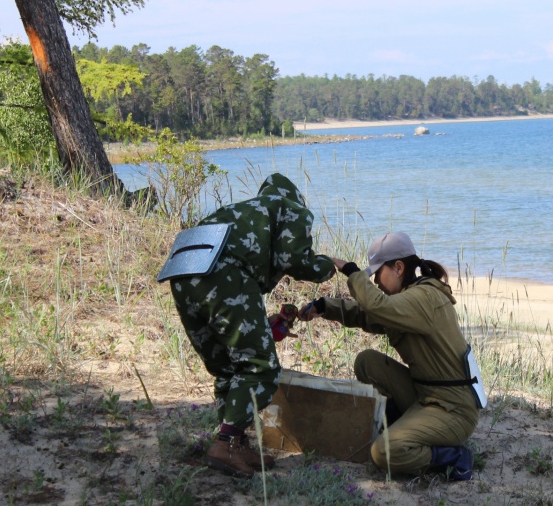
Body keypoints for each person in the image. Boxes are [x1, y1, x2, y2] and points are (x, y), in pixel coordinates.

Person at [162, 174, 335, 478]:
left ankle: (235, 444)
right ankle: (225, 444)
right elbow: (295, 260)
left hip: (180, 273)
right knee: (260, 366)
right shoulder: (289, 207)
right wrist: (330, 265)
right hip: (222, 273)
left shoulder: (241, 212)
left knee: (228, 366)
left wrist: (262, 326)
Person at [301, 232, 480, 480]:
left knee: (384, 452)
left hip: (453, 410)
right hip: (426, 395)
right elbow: (367, 315)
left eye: (377, 273)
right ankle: (403, 425)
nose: (375, 281)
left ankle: (453, 457)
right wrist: (323, 307)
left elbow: (377, 306)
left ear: (398, 267)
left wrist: (352, 271)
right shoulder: (408, 298)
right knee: (367, 362)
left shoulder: (424, 298)